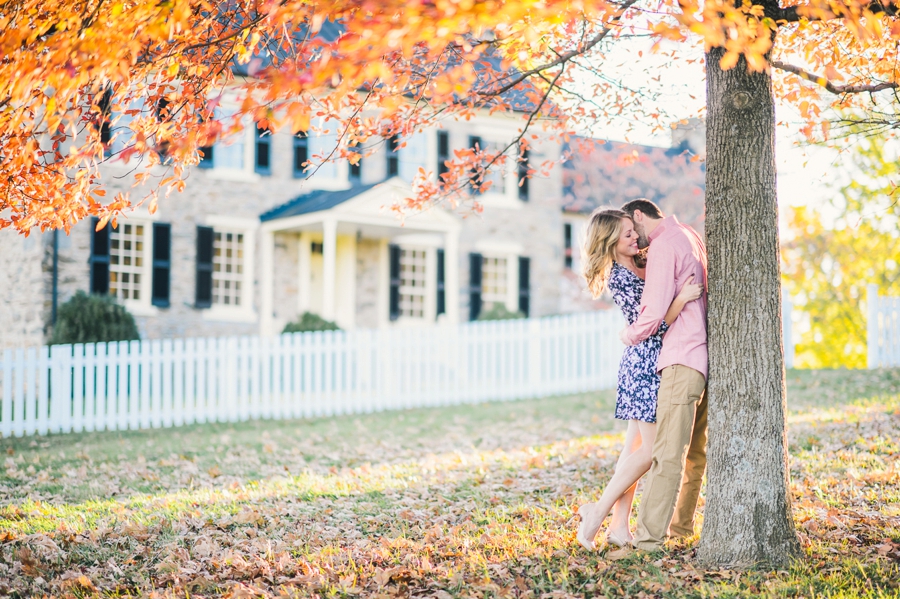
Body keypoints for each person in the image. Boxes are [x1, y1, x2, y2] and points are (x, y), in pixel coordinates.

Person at [575, 207, 703, 550]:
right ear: (610, 241)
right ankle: (597, 512)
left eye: (634, 231)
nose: (635, 237)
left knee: (632, 449)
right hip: (643, 364)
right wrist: (683, 298)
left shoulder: (643, 261)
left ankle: (619, 527)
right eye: (627, 234)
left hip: (653, 359)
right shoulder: (619, 275)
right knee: (650, 451)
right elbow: (654, 323)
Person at [618, 198, 709, 552]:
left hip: (680, 355)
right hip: (702, 355)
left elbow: (652, 312)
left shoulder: (662, 245)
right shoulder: (689, 236)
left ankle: (648, 540)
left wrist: (628, 335)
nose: (633, 237)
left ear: (639, 215)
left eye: (630, 227)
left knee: (668, 452)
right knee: (694, 454)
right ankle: (680, 530)